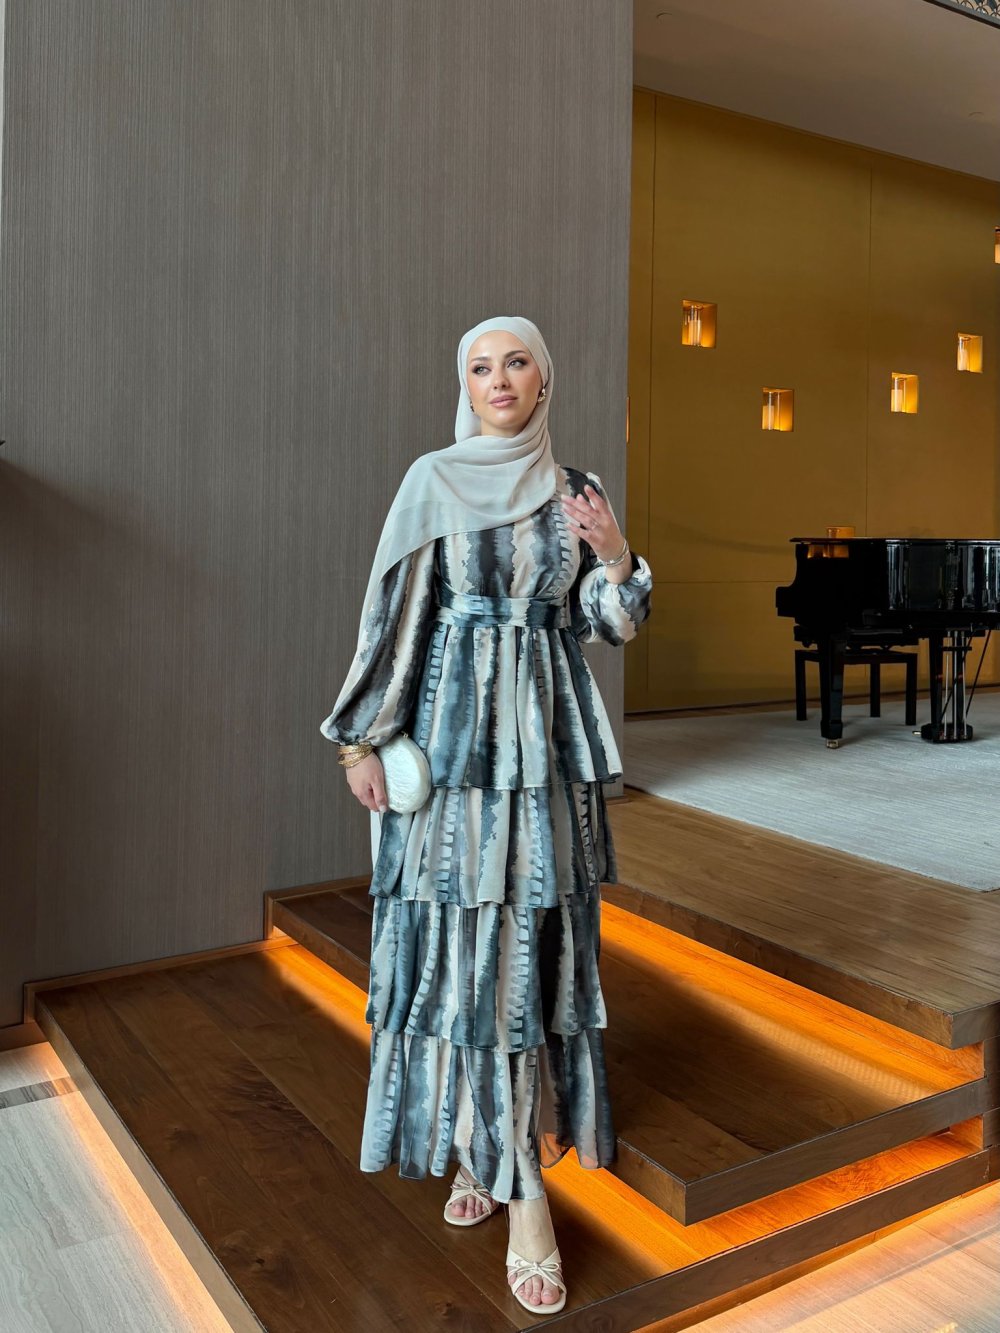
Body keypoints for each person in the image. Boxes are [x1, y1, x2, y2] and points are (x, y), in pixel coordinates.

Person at [320, 315, 653, 1316]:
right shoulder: (433, 480)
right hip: (457, 760)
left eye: (516, 363)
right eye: (479, 366)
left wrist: (616, 554)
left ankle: (494, 1156)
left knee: (525, 964)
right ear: (463, 384)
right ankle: (518, 1193)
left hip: (544, 760)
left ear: (544, 381)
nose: (498, 379)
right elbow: (395, 621)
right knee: (469, 963)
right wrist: (361, 740)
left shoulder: (574, 488)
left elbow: (605, 625)